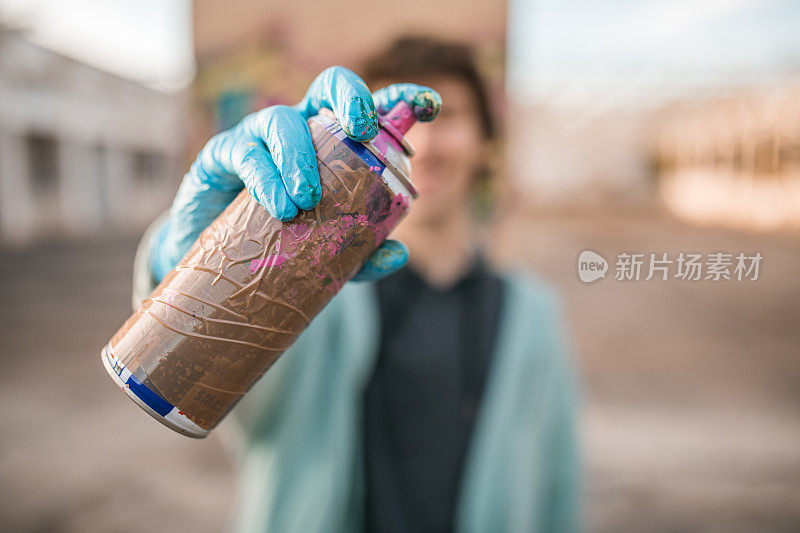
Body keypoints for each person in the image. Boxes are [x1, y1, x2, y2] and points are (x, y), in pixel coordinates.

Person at [131, 36, 580, 533]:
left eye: (444, 118)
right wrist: (191, 256)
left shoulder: (532, 316)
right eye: (393, 128)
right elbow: (217, 384)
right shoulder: (307, 292)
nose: (424, 146)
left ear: (485, 144)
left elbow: (557, 483)